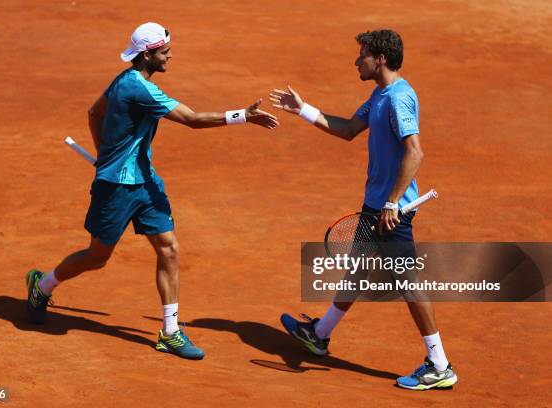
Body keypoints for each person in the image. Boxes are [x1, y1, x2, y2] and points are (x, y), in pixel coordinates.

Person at [26, 22, 279, 360]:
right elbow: (191, 119)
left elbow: (93, 112)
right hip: (115, 188)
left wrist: (104, 152)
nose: (170, 56)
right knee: (97, 257)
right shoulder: (137, 89)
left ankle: (170, 332)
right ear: (148, 55)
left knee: (170, 249)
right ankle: (42, 285)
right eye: (164, 52)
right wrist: (241, 117)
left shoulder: (124, 80)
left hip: (146, 182)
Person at [269, 29, 457, 390]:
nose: (357, 60)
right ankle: (319, 334)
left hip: (390, 212)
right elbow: (349, 129)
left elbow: (415, 151)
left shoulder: (399, 98)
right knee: (358, 270)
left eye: (363, 55)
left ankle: (439, 364)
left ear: (380, 59)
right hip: (375, 207)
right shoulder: (380, 94)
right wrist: (303, 110)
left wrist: (391, 202)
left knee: (408, 283)